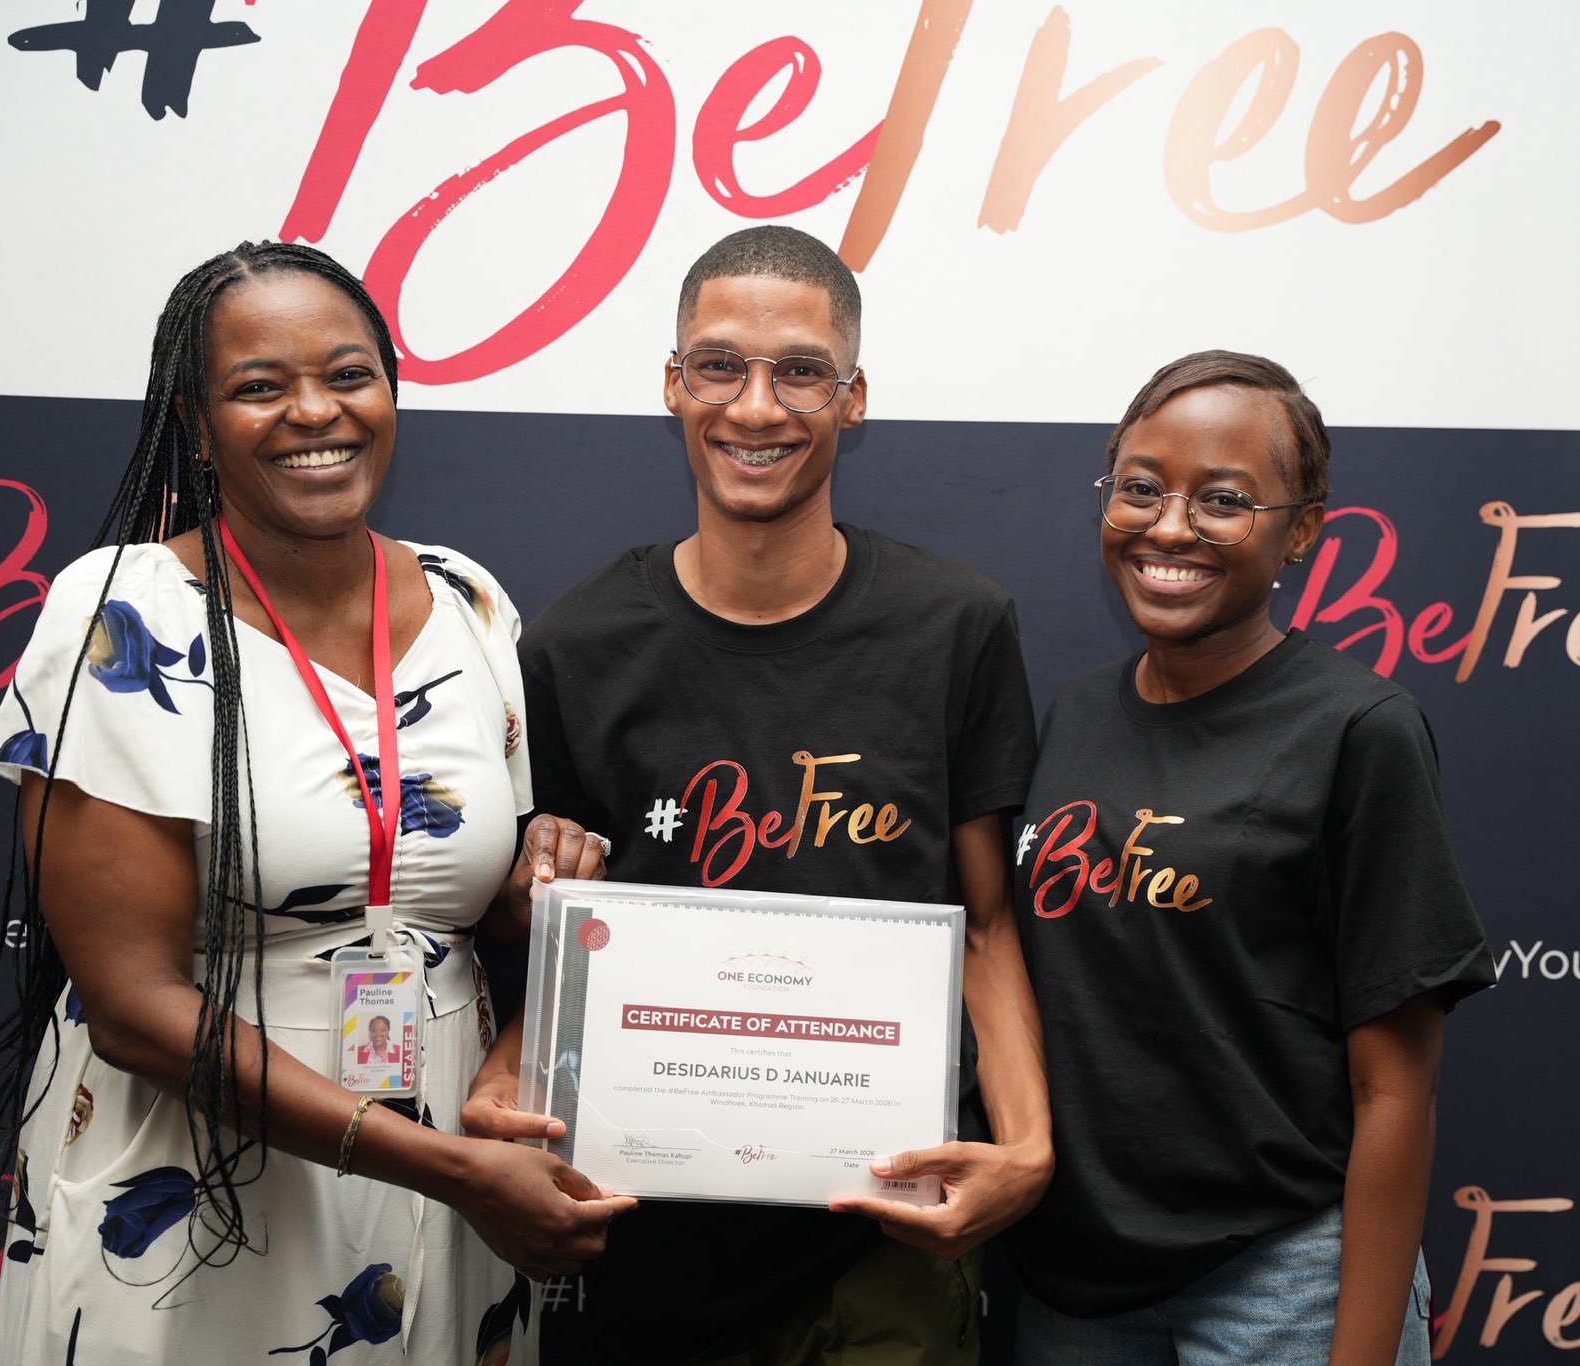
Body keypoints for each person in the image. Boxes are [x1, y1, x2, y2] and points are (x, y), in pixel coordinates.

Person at [0, 241, 634, 1366]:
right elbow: (130, 1005)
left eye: (348, 374)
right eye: (260, 386)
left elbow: (449, 902)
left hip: (445, 1157)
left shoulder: (469, 600)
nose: (315, 411)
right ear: (197, 419)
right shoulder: (122, 617)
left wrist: (538, 878)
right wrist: (454, 1171)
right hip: (208, 1180)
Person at [463, 225, 1054, 1364]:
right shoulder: (580, 644)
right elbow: (563, 929)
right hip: (642, 1235)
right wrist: (505, 1076)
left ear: (853, 397)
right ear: (672, 384)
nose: (756, 406)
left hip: (882, 1235)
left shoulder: (955, 626)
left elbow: (985, 923)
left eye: (800, 372)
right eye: (720, 366)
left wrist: (1026, 1149)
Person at [1006, 351, 1496, 1364]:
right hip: (1075, 1284)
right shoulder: (1077, 714)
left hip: (1279, 1279)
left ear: (1300, 530)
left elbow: (1395, 1092)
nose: (1169, 527)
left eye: (1223, 500)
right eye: (1140, 487)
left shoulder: (1359, 729)